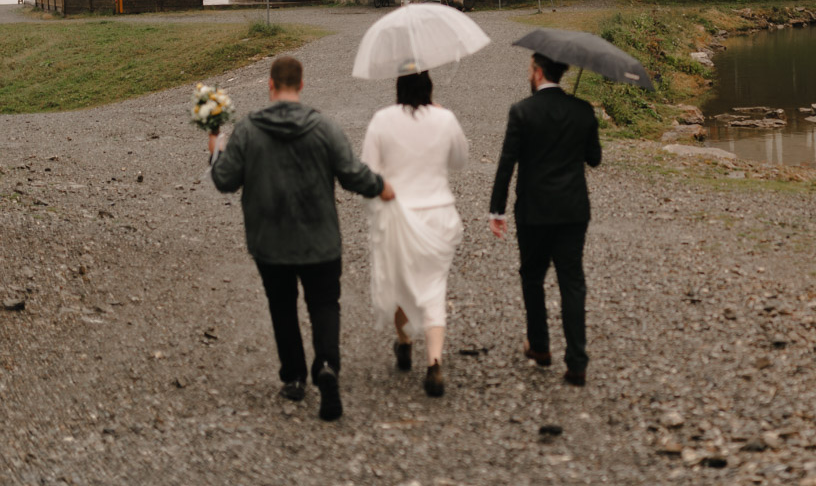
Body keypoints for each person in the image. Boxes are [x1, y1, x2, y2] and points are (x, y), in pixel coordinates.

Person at [208, 55, 395, 422]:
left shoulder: (247, 130)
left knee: (282, 306)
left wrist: (216, 148)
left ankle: (294, 377)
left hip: (269, 240)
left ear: (270, 85)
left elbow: (224, 181)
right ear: (302, 84)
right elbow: (351, 173)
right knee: (324, 304)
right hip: (320, 237)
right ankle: (326, 365)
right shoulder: (324, 127)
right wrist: (380, 186)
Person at [488, 52, 602, 386]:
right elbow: (594, 158)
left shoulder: (522, 112)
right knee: (572, 282)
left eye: (529, 69)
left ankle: (539, 345)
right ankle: (577, 362)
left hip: (533, 211)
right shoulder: (582, 110)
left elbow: (507, 164)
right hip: (573, 210)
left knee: (532, 276)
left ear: (538, 73)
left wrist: (497, 210)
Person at [359, 71, 468, 398]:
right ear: (430, 88)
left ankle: (405, 341)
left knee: (399, 283)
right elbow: (460, 160)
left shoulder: (382, 120)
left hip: (398, 215)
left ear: (398, 88)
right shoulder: (445, 118)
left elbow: (368, 171)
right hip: (438, 216)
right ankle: (434, 361)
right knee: (434, 286)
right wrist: (442, 119)